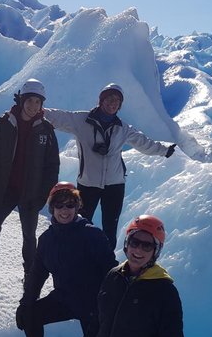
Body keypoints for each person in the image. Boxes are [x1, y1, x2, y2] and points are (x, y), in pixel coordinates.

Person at [9, 182, 118, 337]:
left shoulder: (92, 235)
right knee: (32, 313)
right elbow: (37, 274)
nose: (65, 210)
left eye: (70, 204)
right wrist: (26, 303)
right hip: (65, 299)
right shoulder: (47, 239)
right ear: (52, 209)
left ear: (78, 206)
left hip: (94, 305)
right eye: (59, 205)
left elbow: (111, 273)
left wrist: (106, 310)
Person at [45, 84, 176, 249]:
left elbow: (144, 143)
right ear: (101, 101)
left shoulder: (123, 128)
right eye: (109, 99)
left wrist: (164, 150)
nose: (113, 103)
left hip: (115, 185)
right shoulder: (81, 120)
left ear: (120, 105)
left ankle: (106, 265)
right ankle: (77, 258)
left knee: (110, 229)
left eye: (117, 101)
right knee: (79, 223)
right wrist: (35, 109)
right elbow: (58, 117)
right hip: (88, 183)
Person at [0, 79, 60, 289]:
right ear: (21, 100)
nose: (33, 106)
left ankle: (30, 274)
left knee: (29, 235)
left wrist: (45, 195)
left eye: (38, 102)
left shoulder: (46, 130)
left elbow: (52, 166)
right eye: (29, 100)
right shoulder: (4, 124)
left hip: (31, 192)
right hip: (6, 189)